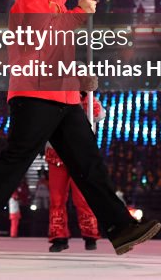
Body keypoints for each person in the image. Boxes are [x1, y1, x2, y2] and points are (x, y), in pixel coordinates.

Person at [0, 0, 161, 260]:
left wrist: (78, 81)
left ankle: (121, 227)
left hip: (61, 95)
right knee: (15, 162)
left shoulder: (55, 1)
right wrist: (78, 14)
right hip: (35, 93)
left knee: (88, 163)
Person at [47, 92, 105, 252]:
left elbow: (99, 115)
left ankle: (90, 236)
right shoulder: (52, 97)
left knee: (83, 198)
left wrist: (86, 97)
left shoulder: (88, 97)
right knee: (56, 199)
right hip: (56, 154)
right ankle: (59, 238)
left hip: (81, 154)